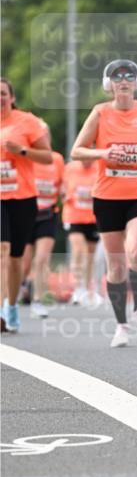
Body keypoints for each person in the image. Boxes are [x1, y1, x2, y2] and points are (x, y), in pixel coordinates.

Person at [70, 59, 137, 347]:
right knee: (116, 267)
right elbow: (77, 150)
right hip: (107, 197)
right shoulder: (100, 113)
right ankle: (121, 325)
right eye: (117, 77)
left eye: (129, 76)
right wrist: (103, 153)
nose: (124, 80)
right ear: (109, 85)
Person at [1, 77, 53, 333]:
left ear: (11, 97)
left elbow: (47, 156)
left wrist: (22, 150)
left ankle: (11, 307)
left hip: (22, 198)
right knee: (2, 249)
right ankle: (1, 310)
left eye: (2, 93)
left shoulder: (27, 121)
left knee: (16, 258)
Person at [23, 137, 65, 318]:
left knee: (41, 259)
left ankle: (38, 300)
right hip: (24, 214)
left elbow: (63, 180)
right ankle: (22, 285)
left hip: (48, 214)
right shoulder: (24, 157)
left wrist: (64, 189)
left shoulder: (56, 159)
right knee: (23, 262)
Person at [62, 157, 101, 305]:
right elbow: (62, 186)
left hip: (93, 218)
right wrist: (63, 193)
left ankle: (87, 288)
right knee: (79, 250)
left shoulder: (99, 167)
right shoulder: (70, 168)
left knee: (90, 256)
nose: (86, 161)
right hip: (73, 216)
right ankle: (78, 289)